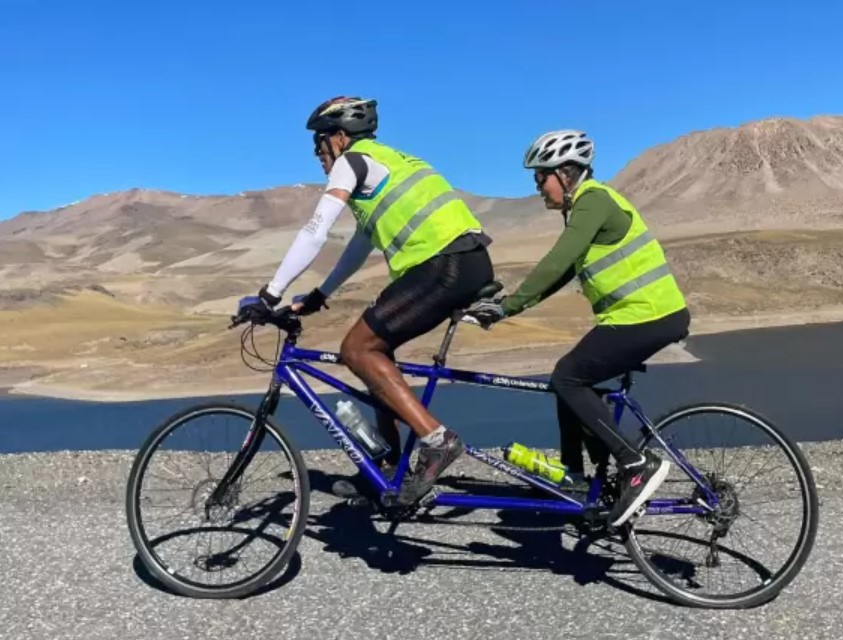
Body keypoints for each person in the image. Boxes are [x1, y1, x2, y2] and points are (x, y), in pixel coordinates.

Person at [238, 96, 495, 503]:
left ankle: (436, 440)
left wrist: (270, 293)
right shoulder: (388, 161)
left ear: (339, 138)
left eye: (319, 146)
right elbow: (360, 245)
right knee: (377, 349)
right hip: (465, 262)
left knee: (357, 348)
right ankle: (387, 465)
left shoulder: (351, 161)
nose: (318, 156)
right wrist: (321, 294)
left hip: (442, 264)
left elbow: (315, 230)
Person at [466, 130, 691, 527]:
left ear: (566, 173)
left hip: (649, 316)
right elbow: (564, 273)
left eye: (541, 177)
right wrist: (506, 308)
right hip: (635, 317)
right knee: (569, 379)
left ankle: (636, 462)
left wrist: (509, 306)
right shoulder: (584, 207)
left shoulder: (594, 201)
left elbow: (558, 259)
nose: (538, 187)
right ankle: (575, 475)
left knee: (568, 377)